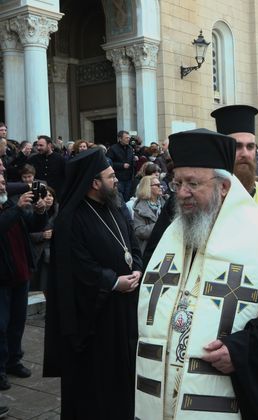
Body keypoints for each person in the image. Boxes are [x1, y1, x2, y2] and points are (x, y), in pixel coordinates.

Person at [135, 128, 258, 420]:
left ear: (224, 187)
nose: (181, 193)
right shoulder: (170, 234)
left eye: (193, 183)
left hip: (227, 400)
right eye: (177, 182)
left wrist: (242, 350)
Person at [43, 148, 143, 420]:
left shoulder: (115, 207)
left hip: (124, 311)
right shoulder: (70, 220)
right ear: (94, 182)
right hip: (93, 320)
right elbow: (77, 267)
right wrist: (113, 282)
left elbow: (132, 244)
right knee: (96, 389)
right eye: (110, 176)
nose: (116, 180)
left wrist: (136, 269)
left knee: (123, 379)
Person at [0, 173, 49, 391]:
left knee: (17, 322)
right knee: (0, 325)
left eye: (4, 181)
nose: (4, 185)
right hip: (2, 277)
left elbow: (32, 225)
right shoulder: (13, 206)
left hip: (21, 273)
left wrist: (40, 211)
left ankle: (13, 360)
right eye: (0, 182)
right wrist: (18, 208)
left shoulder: (9, 203)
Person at [211, 105, 258, 229]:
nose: (245, 154)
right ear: (221, 150)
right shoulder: (204, 198)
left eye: (250, 146)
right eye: (237, 146)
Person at [132, 175, 165, 253]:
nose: (161, 187)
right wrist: (160, 225)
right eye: (157, 185)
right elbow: (139, 231)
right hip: (150, 248)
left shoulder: (166, 202)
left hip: (166, 245)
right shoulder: (140, 208)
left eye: (160, 184)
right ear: (148, 187)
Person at [106, 130, 136, 201]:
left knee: (127, 197)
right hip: (118, 178)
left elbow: (131, 161)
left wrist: (134, 160)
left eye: (129, 138)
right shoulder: (113, 149)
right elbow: (109, 163)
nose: (128, 139)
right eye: (126, 138)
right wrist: (122, 165)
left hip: (129, 178)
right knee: (119, 198)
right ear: (120, 138)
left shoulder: (130, 148)